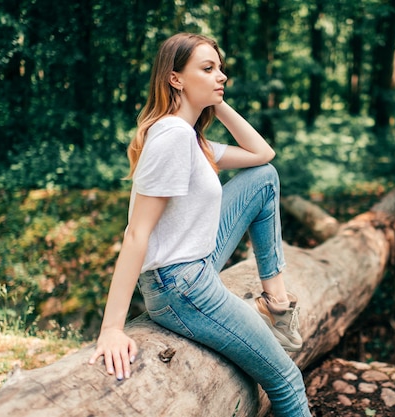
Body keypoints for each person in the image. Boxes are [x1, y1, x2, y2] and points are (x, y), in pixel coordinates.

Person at [87, 32, 312, 417]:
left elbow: (262, 155)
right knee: (286, 381)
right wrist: (112, 328)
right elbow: (137, 233)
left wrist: (216, 101)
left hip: (197, 262)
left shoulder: (190, 138)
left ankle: (276, 303)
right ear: (175, 79)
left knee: (264, 177)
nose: (221, 75)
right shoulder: (172, 137)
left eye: (220, 68)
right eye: (207, 69)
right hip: (180, 285)